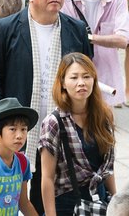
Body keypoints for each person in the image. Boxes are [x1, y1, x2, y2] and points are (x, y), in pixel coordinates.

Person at [0, 0, 95, 207]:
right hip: (19, 122)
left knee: (53, 188)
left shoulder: (75, 30)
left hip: (63, 122)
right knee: (13, 193)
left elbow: (86, 74)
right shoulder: (5, 29)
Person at [38, 52, 118, 216]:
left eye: (86, 76)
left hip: (99, 203)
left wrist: (116, 204)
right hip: (67, 206)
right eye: (74, 77)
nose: (81, 83)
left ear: (94, 80)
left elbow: (108, 169)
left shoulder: (104, 116)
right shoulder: (54, 122)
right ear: (63, 83)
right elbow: (47, 178)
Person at [61, 0, 129, 103]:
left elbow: (123, 40)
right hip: (73, 75)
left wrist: (87, 37)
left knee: (103, 125)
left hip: (105, 75)